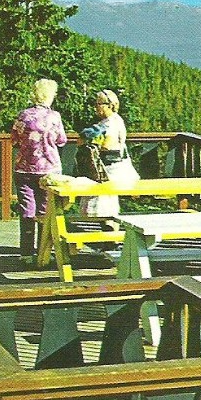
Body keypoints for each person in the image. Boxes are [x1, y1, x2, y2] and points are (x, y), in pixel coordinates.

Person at [11, 78, 68, 264]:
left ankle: (26, 253)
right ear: (50, 96)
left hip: (24, 168)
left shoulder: (23, 115)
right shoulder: (55, 117)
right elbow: (61, 141)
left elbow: (14, 140)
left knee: (27, 211)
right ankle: (43, 253)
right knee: (45, 211)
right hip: (48, 169)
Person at [79, 89, 139, 218]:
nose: (96, 107)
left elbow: (108, 145)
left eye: (99, 104)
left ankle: (107, 232)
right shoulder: (112, 120)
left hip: (112, 169)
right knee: (106, 203)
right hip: (113, 167)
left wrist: (89, 143)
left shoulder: (111, 123)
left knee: (104, 205)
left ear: (110, 105)